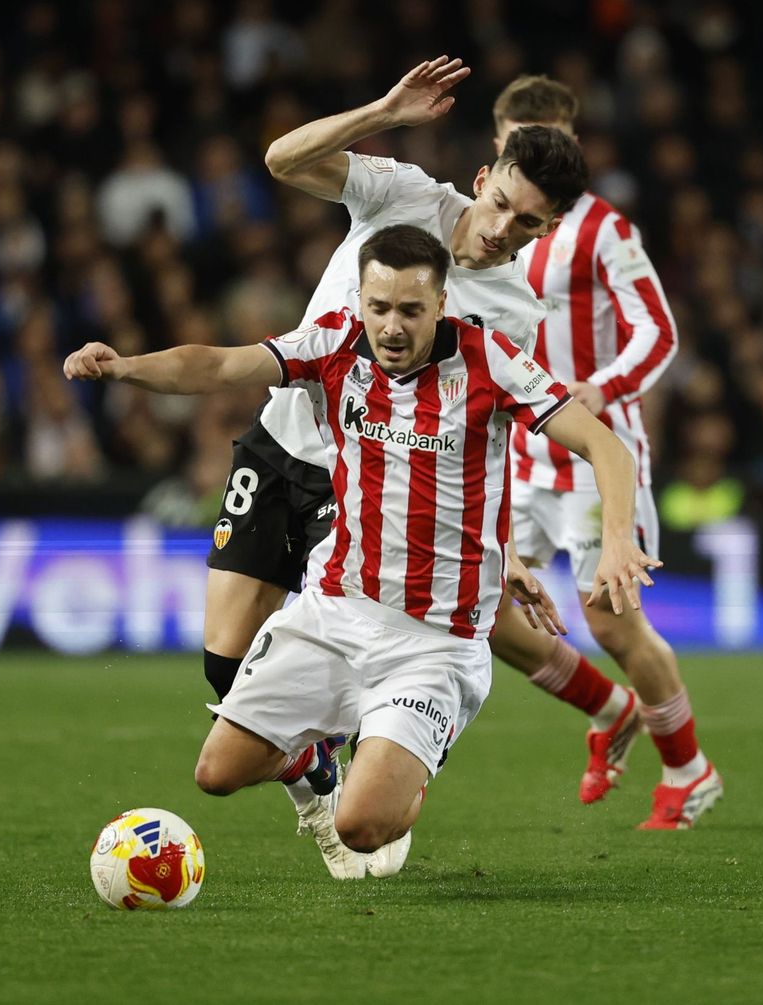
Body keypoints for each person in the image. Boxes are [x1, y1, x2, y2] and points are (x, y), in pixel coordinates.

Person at [65, 224, 657, 869]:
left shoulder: (489, 361)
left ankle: (409, 761)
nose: (392, 326)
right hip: (334, 612)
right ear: (361, 301)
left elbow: (605, 445)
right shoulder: (334, 342)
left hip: (435, 641)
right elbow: (218, 364)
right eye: (379, 308)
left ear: (440, 306)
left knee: (362, 827)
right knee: (216, 772)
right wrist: (125, 366)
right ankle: (334, 752)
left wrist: (617, 540)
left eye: (410, 310)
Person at [202, 56, 585, 878]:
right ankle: (314, 772)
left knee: (365, 629)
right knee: (223, 662)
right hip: (281, 439)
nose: (501, 231)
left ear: (544, 231)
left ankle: (392, 755)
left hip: (371, 474)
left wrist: (504, 549)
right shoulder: (402, 191)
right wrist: (383, 108)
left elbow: (491, 431)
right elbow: (281, 159)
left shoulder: (516, 310)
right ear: (482, 179)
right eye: (500, 207)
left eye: (526, 226)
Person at [484, 75, 721, 829]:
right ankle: (610, 707)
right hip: (516, 458)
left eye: (544, 134)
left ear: (573, 143)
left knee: (614, 624)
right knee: (480, 603)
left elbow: (660, 331)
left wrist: (603, 385)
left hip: (591, 458)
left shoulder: (603, 230)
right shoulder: (480, 224)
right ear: (496, 141)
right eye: (517, 135)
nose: (530, 148)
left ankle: (689, 768)